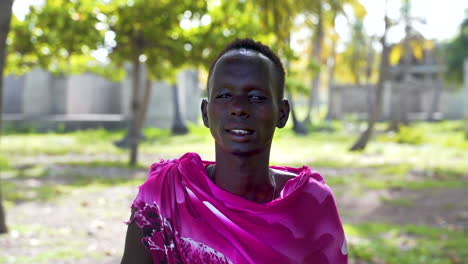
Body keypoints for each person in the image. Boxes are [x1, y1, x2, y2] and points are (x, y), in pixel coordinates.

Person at [120, 38, 347, 264]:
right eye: (224, 95)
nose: (238, 108)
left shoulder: (311, 203)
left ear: (282, 113)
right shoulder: (164, 197)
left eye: (256, 97)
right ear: (206, 113)